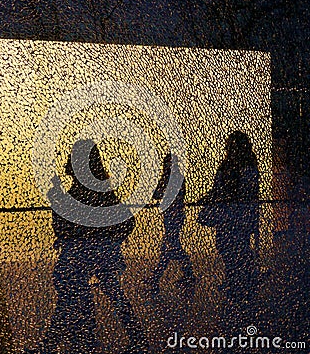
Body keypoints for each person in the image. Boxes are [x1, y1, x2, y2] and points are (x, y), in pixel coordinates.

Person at [39, 140, 148, 354]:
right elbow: (124, 221)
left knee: (69, 292)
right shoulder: (100, 188)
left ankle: (57, 344)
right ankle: (133, 337)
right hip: (100, 253)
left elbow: (65, 226)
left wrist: (57, 199)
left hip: (85, 253)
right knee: (108, 293)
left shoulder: (81, 191)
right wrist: (109, 242)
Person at [197, 131, 260, 307]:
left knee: (237, 248)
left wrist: (220, 197)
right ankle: (238, 280)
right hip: (227, 215)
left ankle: (241, 282)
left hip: (238, 216)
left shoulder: (246, 167)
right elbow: (218, 188)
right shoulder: (227, 166)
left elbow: (246, 191)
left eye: (233, 145)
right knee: (226, 246)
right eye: (229, 145)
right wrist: (208, 198)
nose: (230, 149)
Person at [147, 153, 195, 299]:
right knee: (171, 246)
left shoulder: (173, 179)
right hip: (173, 216)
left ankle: (157, 278)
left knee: (169, 247)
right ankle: (187, 273)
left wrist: (160, 185)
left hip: (173, 216)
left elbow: (157, 195)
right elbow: (157, 195)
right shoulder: (177, 178)